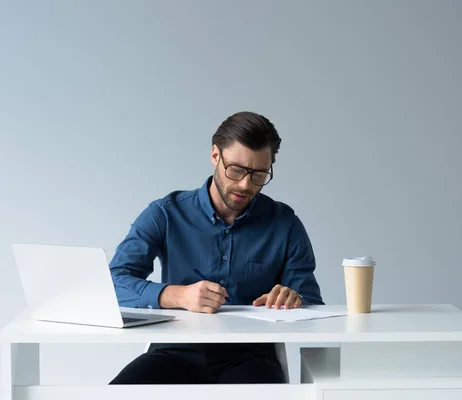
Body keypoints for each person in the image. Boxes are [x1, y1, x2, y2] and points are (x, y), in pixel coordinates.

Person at [108, 111, 324, 385]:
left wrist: (295, 299)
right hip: (173, 353)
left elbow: (313, 305)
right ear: (215, 155)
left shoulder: (285, 224)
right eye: (235, 170)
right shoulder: (164, 214)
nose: (245, 185)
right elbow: (112, 284)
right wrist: (177, 296)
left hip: (251, 359)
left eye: (258, 174)